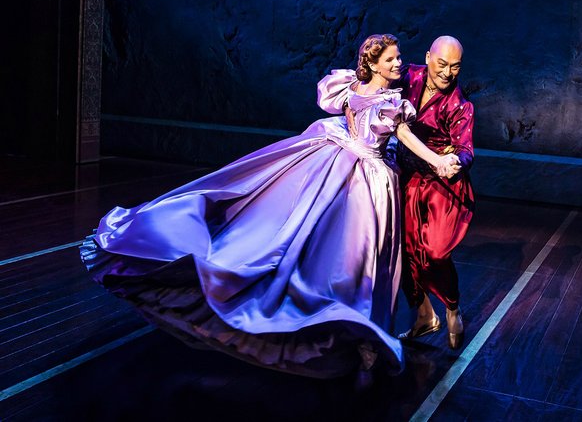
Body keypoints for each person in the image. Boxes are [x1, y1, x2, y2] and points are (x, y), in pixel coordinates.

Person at [80, 33, 458, 379]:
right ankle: (339, 321)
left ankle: (357, 328)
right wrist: (436, 161)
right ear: (372, 64)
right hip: (354, 168)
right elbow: (387, 129)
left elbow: (396, 133)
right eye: (391, 59)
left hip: (365, 170)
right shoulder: (364, 92)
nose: (398, 64)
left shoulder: (381, 97)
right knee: (331, 241)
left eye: (398, 58)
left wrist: (435, 158)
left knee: (353, 252)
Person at [395, 36, 475, 349]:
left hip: (442, 185)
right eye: (442, 64)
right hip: (408, 177)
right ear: (428, 57)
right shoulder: (408, 77)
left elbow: (466, 149)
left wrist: (455, 161)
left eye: (455, 67)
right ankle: (424, 315)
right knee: (403, 249)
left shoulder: (458, 103)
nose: (447, 72)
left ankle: (452, 307)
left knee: (436, 252)